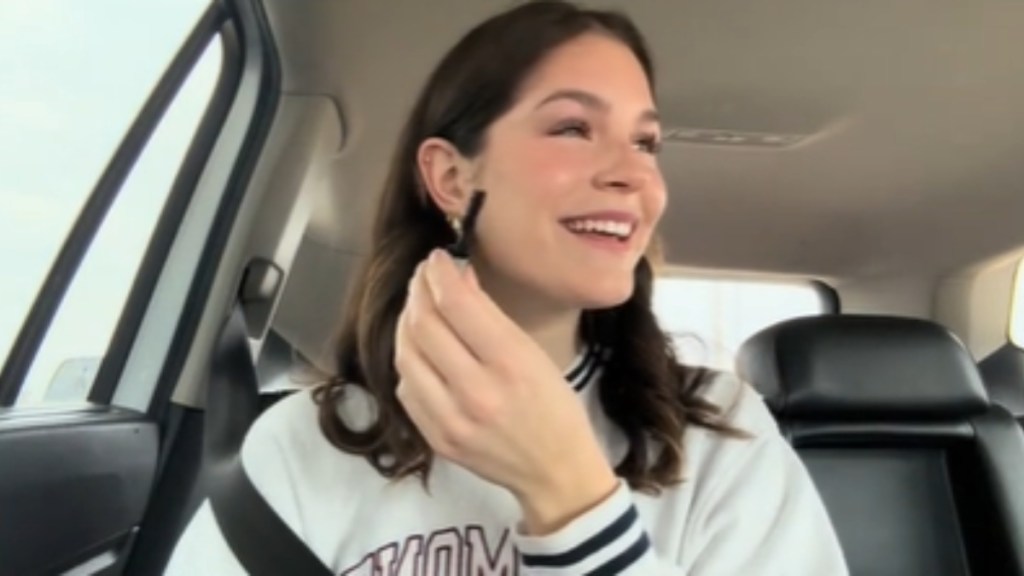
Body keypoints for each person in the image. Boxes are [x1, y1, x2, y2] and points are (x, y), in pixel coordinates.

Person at [165, 1, 849, 574]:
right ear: (453, 179)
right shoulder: (304, 442)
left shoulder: (719, 430)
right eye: (574, 128)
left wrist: (572, 496)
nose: (634, 176)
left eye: (646, 144)